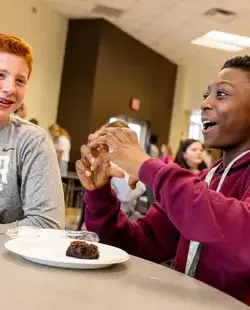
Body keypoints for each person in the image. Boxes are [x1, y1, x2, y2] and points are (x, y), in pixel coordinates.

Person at [77, 55, 250, 305]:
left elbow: (241, 233)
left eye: (222, 94)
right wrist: (100, 195)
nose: (205, 103)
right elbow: (135, 245)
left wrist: (146, 166)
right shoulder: (205, 179)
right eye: (206, 94)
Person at [0, 33, 65, 231]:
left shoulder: (32, 141)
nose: (10, 88)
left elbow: (47, 224)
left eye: (20, 81)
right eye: (0, 75)